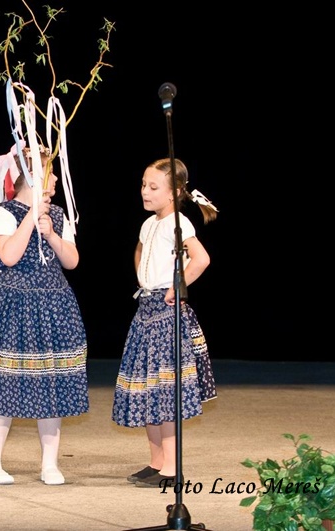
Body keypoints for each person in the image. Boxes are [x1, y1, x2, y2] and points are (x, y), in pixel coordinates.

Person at [0, 145, 89, 486]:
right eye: (50, 173)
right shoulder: (3, 213)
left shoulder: (59, 215)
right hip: (15, 306)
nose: (55, 179)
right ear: (32, 177)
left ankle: (49, 464)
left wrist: (50, 233)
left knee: (50, 384)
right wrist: (31, 218)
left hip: (54, 305)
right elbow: (9, 256)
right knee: (5, 382)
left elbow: (72, 261)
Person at [112, 157, 218, 488]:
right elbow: (141, 251)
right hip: (146, 309)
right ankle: (157, 461)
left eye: (153, 187)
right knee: (149, 389)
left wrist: (176, 285)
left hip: (166, 316)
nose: (145, 191)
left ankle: (172, 468)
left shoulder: (178, 223)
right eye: (143, 185)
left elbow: (201, 258)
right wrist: (144, 277)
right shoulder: (149, 224)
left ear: (174, 192)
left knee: (165, 392)